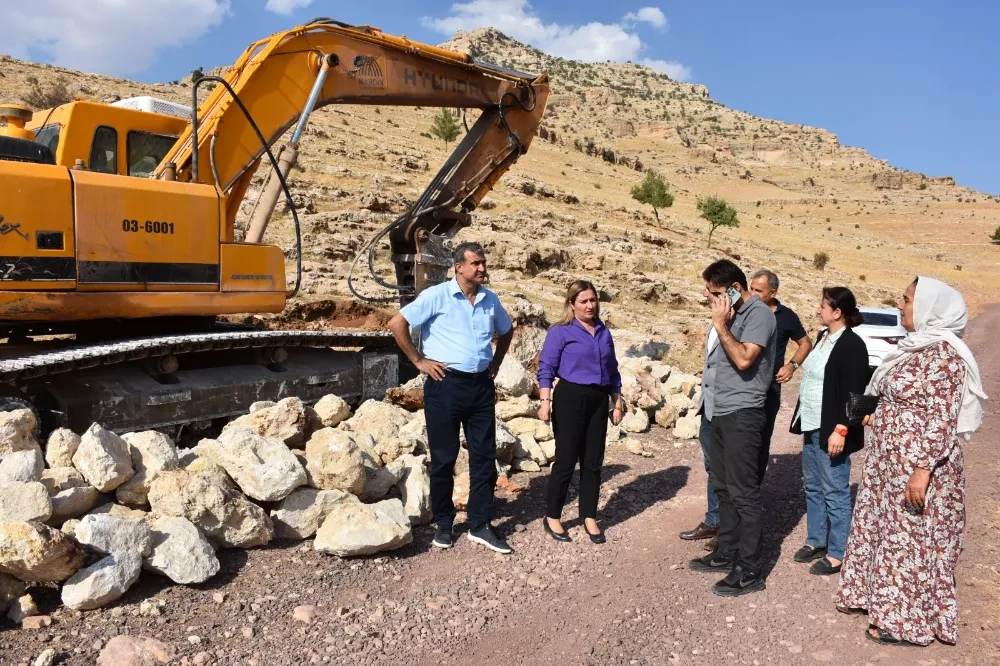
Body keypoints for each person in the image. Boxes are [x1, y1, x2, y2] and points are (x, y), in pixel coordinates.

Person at [837, 277, 987, 647]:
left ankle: (906, 622)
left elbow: (941, 420)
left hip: (918, 465)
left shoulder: (945, 355)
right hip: (888, 461)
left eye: (906, 300)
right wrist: (879, 413)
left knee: (909, 541)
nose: (900, 306)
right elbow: (897, 397)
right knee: (882, 529)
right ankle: (871, 597)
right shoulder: (914, 347)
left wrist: (922, 472)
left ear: (929, 307)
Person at [386, 241, 515, 554]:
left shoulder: (490, 300)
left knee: (484, 456)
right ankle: (444, 524)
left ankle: (481, 524)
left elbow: (507, 329)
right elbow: (396, 323)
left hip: (481, 386)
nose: (482, 268)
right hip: (445, 385)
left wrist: (496, 363)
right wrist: (419, 361)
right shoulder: (437, 295)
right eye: (476, 264)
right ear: (459, 267)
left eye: (483, 263)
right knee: (444, 457)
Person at [689, 260, 777, 597]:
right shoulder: (734, 314)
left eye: (714, 293)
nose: (709, 298)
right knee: (724, 487)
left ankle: (750, 569)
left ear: (734, 289)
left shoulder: (759, 315)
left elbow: (743, 359)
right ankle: (727, 552)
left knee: (744, 492)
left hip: (743, 412)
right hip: (720, 410)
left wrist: (719, 324)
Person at [788, 287, 869, 576]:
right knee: (812, 485)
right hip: (811, 423)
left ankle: (838, 551)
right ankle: (816, 540)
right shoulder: (824, 338)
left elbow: (854, 393)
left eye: (823, 306)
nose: (818, 310)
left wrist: (842, 429)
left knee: (835, 490)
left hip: (832, 429)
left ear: (837, 313)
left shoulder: (852, 345)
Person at [537, 280, 624, 544]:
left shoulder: (603, 332)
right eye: (583, 301)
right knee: (566, 460)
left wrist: (617, 402)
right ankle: (553, 516)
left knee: (593, 461)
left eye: (593, 300)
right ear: (572, 304)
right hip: (569, 397)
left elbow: (613, 370)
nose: (589, 305)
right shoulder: (560, 332)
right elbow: (546, 367)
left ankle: (589, 516)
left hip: (598, 400)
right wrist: (545, 401)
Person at [749, 270, 812, 482]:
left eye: (759, 290)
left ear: (773, 292)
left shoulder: (786, 316)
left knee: (762, 439)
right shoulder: (743, 310)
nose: (753, 294)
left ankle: (753, 492)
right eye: (751, 288)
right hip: (742, 386)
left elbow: (805, 343)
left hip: (769, 388)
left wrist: (792, 365)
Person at [678, 316, 722, 551]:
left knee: (726, 468)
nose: (706, 296)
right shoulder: (713, 322)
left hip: (727, 407)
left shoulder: (740, 321)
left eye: (713, 292)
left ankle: (728, 530)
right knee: (712, 466)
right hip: (708, 405)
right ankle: (714, 520)